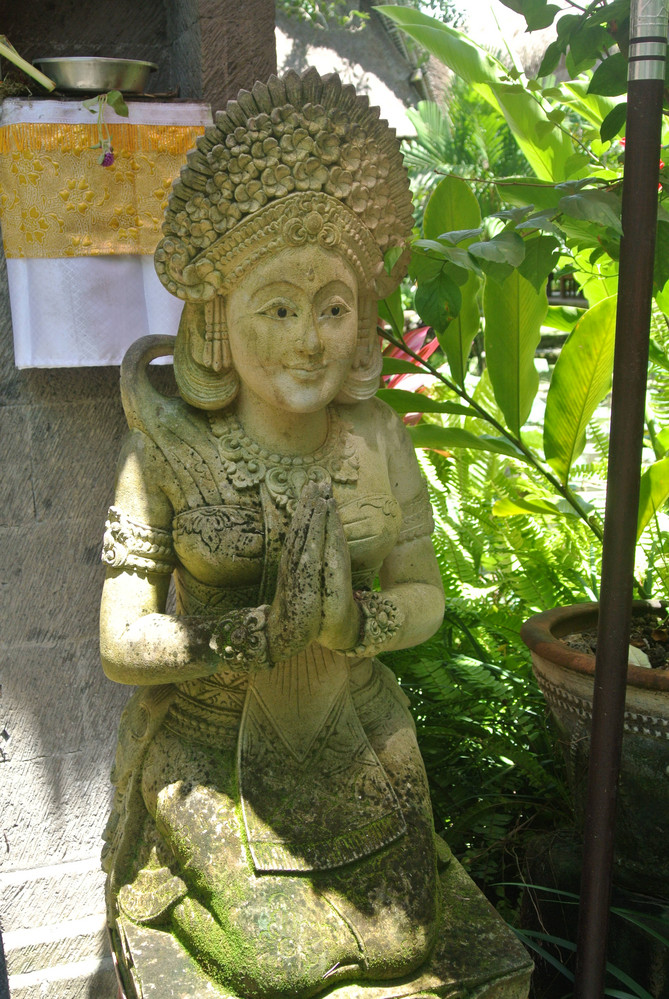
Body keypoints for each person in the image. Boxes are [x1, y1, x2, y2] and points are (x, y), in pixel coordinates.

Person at [100, 68, 446, 999]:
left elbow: (425, 596)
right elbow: (120, 642)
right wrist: (247, 636)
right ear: (217, 318)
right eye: (279, 308)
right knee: (279, 960)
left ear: (362, 321)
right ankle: (179, 883)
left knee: (401, 941)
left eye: (332, 308)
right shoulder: (167, 449)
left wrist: (353, 624)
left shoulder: (377, 439)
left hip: (357, 721)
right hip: (210, 745)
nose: (308, 340)